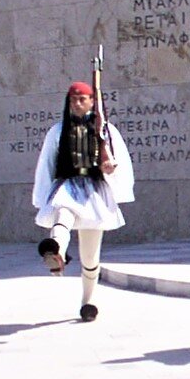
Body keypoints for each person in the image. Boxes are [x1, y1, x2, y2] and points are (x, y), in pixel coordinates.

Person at [33, 81, 134, 322]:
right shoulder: (58, 131)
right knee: (62, 212)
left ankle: (88, 301)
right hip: (68, 184)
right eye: (73, 100)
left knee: (90, 257)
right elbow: (46, 165)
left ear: (91, 102)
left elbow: (119, 162)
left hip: (94, 191)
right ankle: (56, 249)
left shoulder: (105, 130)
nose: (77, 104)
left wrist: (111, 169)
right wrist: (42, 196)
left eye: (82, 99)